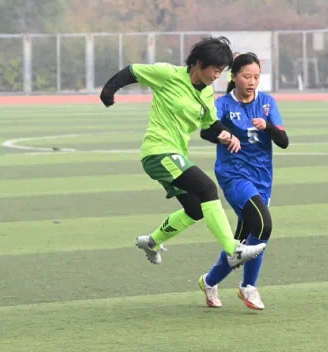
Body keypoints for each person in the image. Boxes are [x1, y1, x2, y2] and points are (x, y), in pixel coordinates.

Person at [99, 36, 267, 268]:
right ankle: (233, 249)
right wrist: (108, 92)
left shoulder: (207, 93)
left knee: (195, 209)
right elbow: (132, 71)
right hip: (158, 151)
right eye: (215, 70)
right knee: (208, 188)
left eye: (221, 72)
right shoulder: (168, 74)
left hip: (176, 154)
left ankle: (152, 241)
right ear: (199, 63)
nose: (217, 76)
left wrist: (226, 134)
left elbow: (209, 127)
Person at [198, 53, 288, 311]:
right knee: (263, 225)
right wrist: (224, 135)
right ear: (234, 76)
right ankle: (249, 287)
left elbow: (284, 141)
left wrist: (268, 127)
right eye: (247, 76)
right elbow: (206, 129)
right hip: (234, 175)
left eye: (256, 77)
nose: (252, 81)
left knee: (241, 244)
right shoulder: (224, 104)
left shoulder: (268, 103)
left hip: (262, 179)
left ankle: (209, 281)